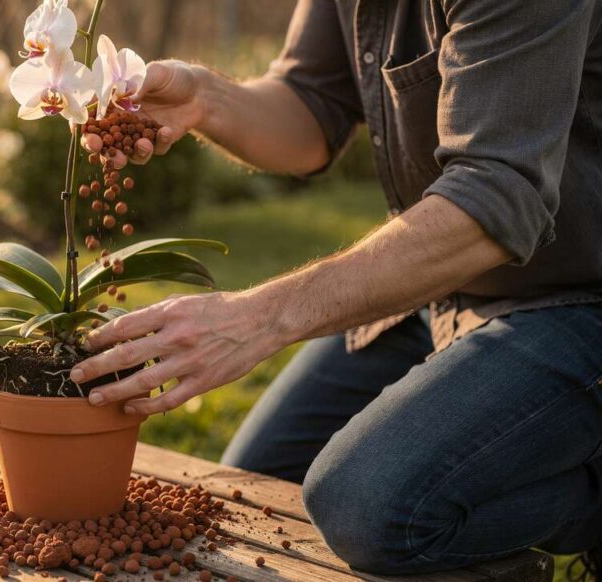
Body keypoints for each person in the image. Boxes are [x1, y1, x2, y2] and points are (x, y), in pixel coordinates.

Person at [72, 0, 602, 576]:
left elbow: (496, 201)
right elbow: (311, 108)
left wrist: (258, 318)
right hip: (442, 292)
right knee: (260, 482)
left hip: (575, 298)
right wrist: (206, 98)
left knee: (369, 508)